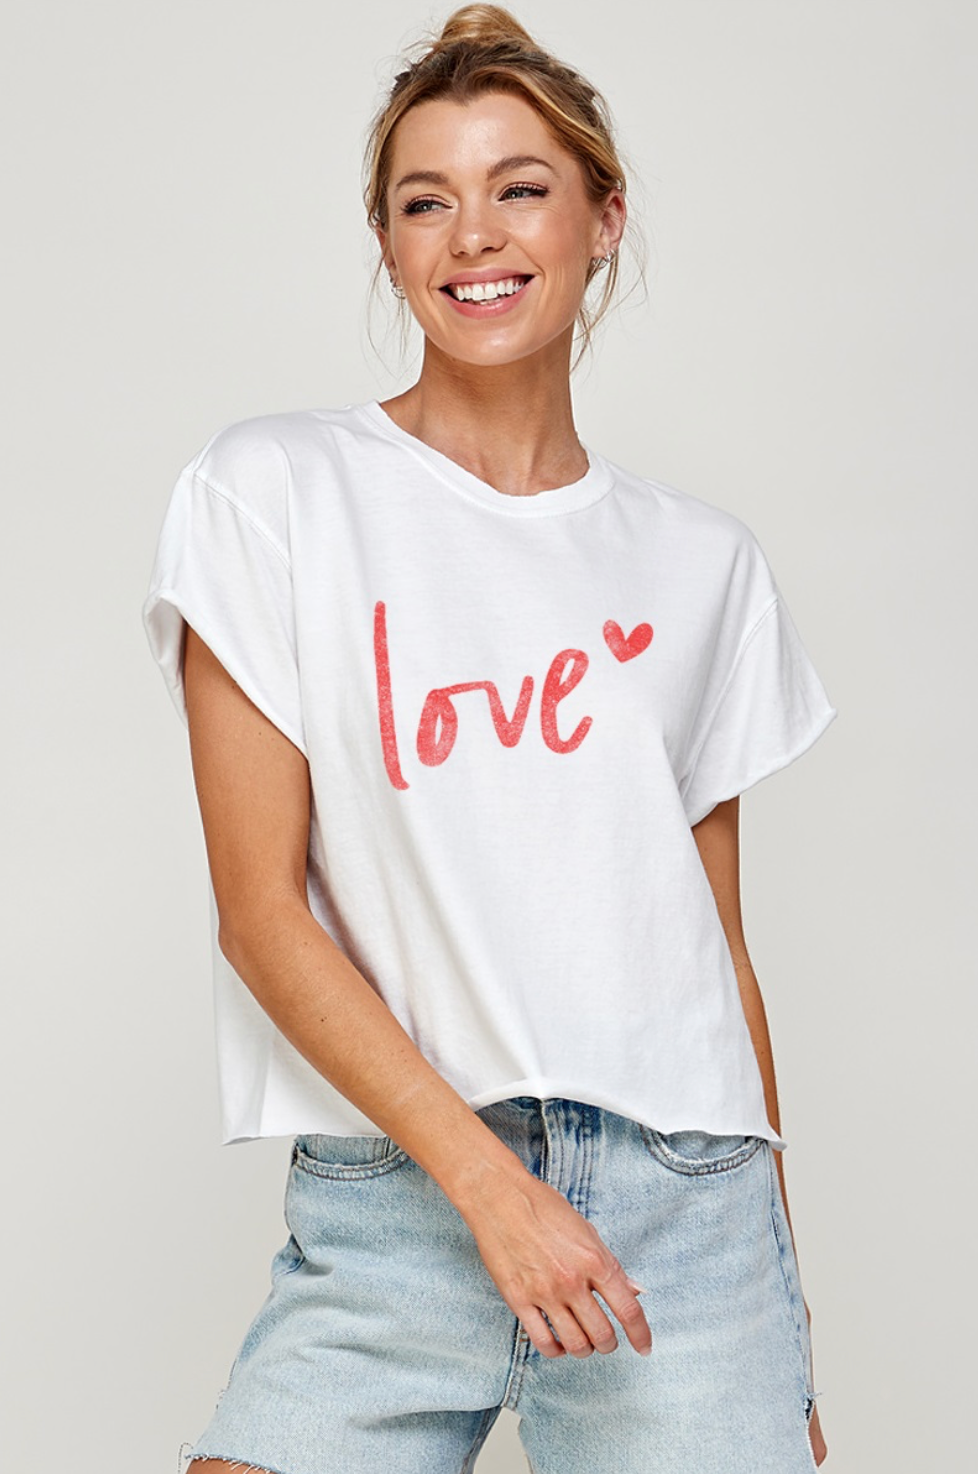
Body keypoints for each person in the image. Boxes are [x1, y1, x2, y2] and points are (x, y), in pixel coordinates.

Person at [143, 6, 835, 1471]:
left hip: (684, 1219)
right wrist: (489, 1188)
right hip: (401, 1192)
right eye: (424, 200)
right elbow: (260, 912)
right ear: (387, 244)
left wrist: (784, 1320)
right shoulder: (274, 491)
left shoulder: (704, 562)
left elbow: (718, 947)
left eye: (521, 187)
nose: (474, 235)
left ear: (602, 218)